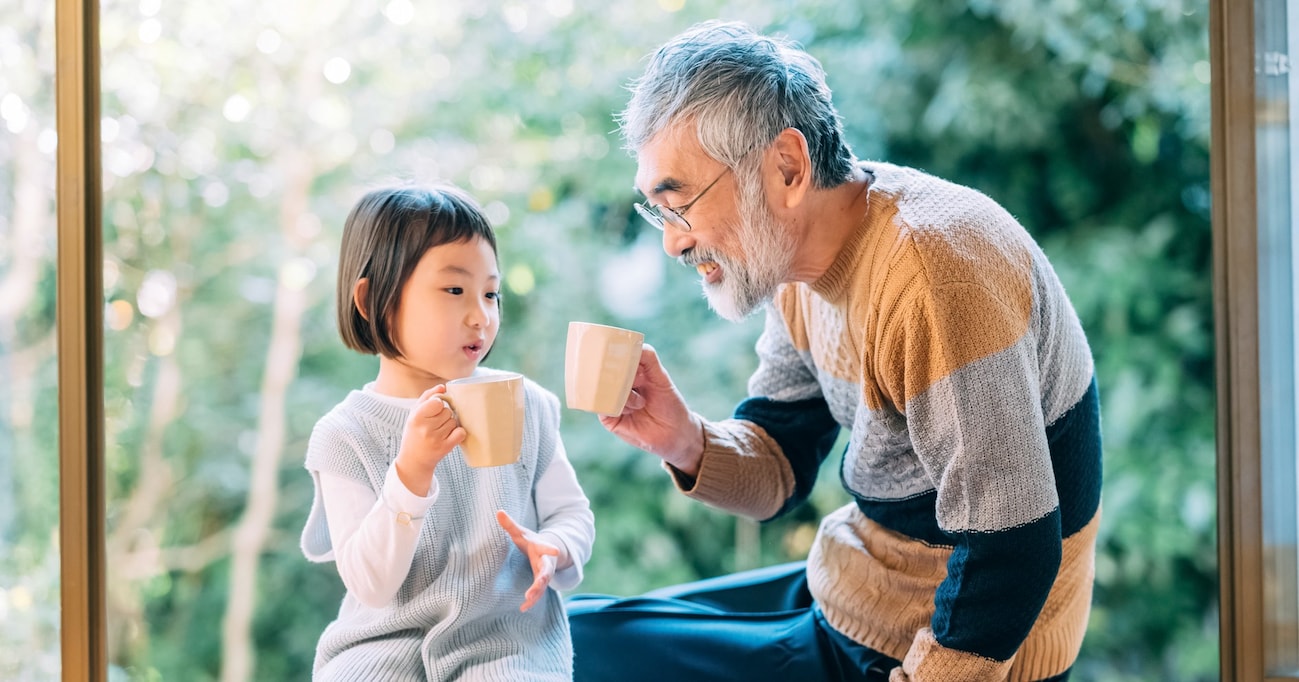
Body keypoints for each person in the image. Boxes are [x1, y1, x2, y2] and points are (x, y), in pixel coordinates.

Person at [566, 20, 1101, 682]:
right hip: (858, 597)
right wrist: (685, 441)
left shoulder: (934, 273)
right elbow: (778, 468)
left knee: (578, 657)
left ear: (786, 166)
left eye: (681, 205)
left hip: (938, 643)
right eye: (660, 212)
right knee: (563, 635)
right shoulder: (799, 265)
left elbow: (1011, 551)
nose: (674, 243)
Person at [299, 184, 596, 680]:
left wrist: (558, 546)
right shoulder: (344, 436)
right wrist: (411, 471)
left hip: (505, 643)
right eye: (455, 290)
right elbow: (371, 584)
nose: (481, 315)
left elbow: (571, 512)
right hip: (381, 646)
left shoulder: (528, 407)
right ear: (373, 300)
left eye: (491, 293)